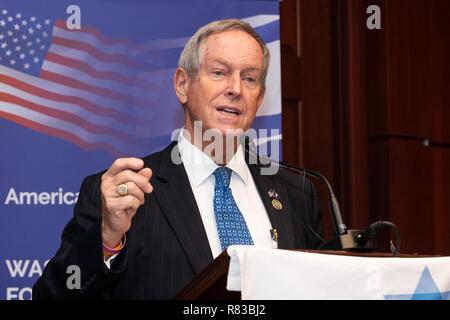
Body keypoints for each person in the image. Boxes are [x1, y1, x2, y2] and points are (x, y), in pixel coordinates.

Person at [32, 19, 323, 300]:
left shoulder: (297, 193)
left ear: (259, 98)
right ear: (183, 85)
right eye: (220, 72)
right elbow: (53, 296)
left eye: (249, 78)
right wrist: (107, 238)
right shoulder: (126, 194)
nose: (236, 88)